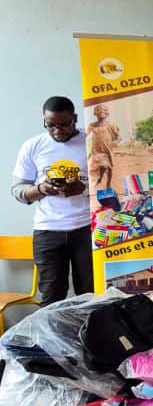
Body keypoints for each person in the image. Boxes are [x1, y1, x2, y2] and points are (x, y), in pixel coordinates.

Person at [11, 96, 92, 306]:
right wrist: (41, 189)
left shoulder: (92, 141)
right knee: (51, 297)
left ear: (74, 118)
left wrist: (84, 189)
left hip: (87, 228)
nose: (57, 131)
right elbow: (18, 190)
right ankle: (53, 330)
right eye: (50, 125)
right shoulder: (33, 146)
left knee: (90, 293)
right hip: (48, 230)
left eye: (63, 124)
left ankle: (90, 329)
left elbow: (112, 186)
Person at [86, 104, 119, 190]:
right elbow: (87, 137)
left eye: (104, 110)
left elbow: (118, 136)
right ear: (95, 113)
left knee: (110, 168)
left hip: (108, 150)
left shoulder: (111, 125)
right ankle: (101, 178)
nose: (101, 111)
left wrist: (116, 141)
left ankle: (108, 183)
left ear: (107, 113)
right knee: (103, 166)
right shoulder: (92, 126)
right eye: (98, 110)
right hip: (97, 151)